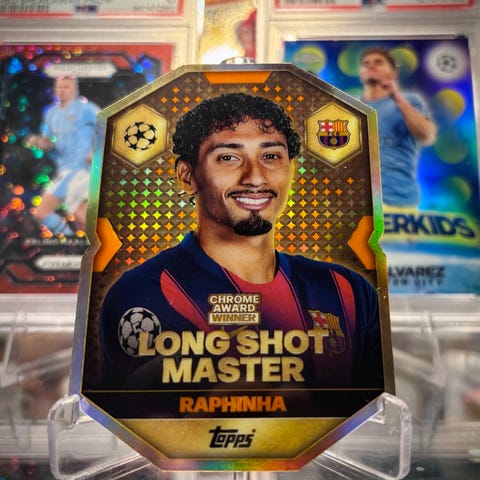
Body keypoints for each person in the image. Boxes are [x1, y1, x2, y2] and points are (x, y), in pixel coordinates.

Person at [98, 93, 383, 390]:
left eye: (270, 156)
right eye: (228, 158)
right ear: (187, 176)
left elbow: (370, 410)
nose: (255, 178)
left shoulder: (347, 291)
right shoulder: (143, 293)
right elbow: (152, 411)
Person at [359, 47, 437, 207]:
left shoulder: (409, 101)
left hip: (398, 200)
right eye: (366, 63)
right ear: (361, 73)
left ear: (393, 73)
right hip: (360, 203)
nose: (371, 65)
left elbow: (426, 135)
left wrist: (397, 98)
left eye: (378, 62)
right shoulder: (350, 106)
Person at [27, 75, 99, 233]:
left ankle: (70, 241)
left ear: (74, 89)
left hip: (81, 169)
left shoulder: (87, 109)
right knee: (84, 219)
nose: (62, 90)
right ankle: (78, 241)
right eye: (59, 87)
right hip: (65, 169)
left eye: (66, 87)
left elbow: (108, 127)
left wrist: (95, 152)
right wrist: (37, 142)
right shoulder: (52, 113)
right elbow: (48, 142)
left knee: (42, 213)